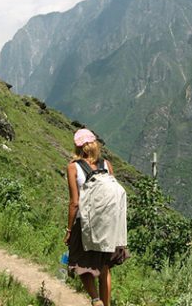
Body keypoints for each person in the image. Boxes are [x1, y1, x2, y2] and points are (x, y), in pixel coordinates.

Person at [64, 128, 129, 306]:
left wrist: (69, 230)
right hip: (107, 225)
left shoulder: (73, 167)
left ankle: (95, 299)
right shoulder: (107, 165)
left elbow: (74, 203)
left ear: (78, 147)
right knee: (105, 267)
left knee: (80, 263)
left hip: (84, 223)